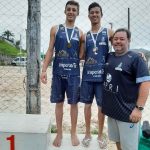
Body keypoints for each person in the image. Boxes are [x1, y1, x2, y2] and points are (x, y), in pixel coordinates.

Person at [40, 0, 83, 147]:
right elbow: (50, 50)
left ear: (77, 13)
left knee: (74, 104)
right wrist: (44, 69)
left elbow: (83, 54)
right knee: (59, 103)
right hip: (58, 73)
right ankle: (59, 133)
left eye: (74, 10)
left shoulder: (80, 33)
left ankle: (73, 132)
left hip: (74, 74)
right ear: (65, 11)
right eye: (69, 9)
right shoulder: (55, 29)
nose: (71, 12)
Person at [102, 28, 150, 150]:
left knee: (129, 147)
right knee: (118, 143)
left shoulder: (136, 59)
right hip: (112, 112)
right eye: (115, 39)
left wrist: (139, 109)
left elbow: (145, 83)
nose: (118, 41)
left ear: (129, 40)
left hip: (128, 114)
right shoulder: (109, 56)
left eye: (122, 39)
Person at [79, 2, 113, 149]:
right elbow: (81, 55)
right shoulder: (85, 36)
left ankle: (99, 135)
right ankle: (87, 133)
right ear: (88, 16)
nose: (94, 14)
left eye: (97, 12)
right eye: (91, 12)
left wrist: (135, 53)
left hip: (102, 77)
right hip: (87, 77)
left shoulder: (109, 32)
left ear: (101, 14)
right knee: (87, 106)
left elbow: (120, 47)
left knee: (101, 108)